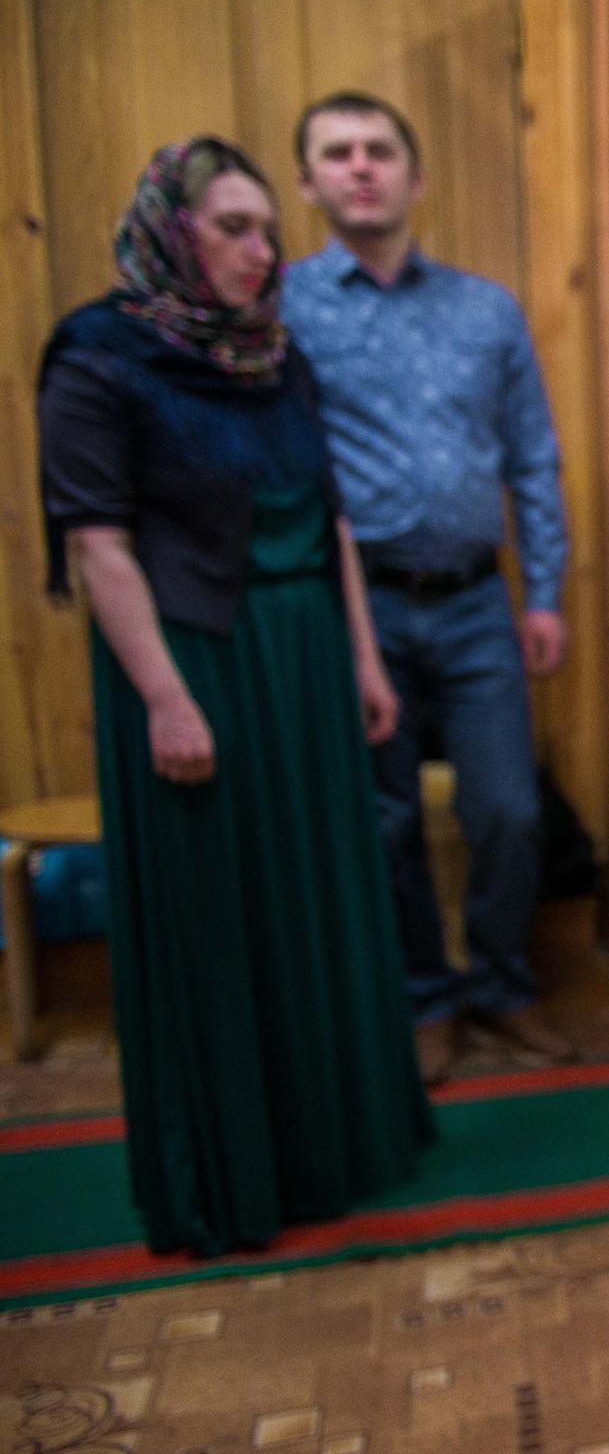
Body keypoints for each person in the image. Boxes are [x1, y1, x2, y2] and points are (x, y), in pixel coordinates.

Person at [37, 136, 431, 1256]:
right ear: (172, 229)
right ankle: (234, 1174)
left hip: (307, 660)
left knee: (319, 894)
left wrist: (361, 659)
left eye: (267, 228)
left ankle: (336, 1146)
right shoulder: (98, 355)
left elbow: (332, 516)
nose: (265, 250)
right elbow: (100, 546)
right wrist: (164, 695)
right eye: (235, 227)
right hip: (198, 661)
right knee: (226, 910)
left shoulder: (275, 356)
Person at [281, 91, 574, 1083]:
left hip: (475, 601)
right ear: (308, 181)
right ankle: (426, 998)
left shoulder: (485, 309)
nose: (360, 167)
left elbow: (532, 456)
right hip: (356, 607)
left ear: (416, 175)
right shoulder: (284, 308)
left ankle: (500, 982)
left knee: (507, 809)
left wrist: (544, 591)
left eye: (378, 150)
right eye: (337, 153)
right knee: (388, 817)